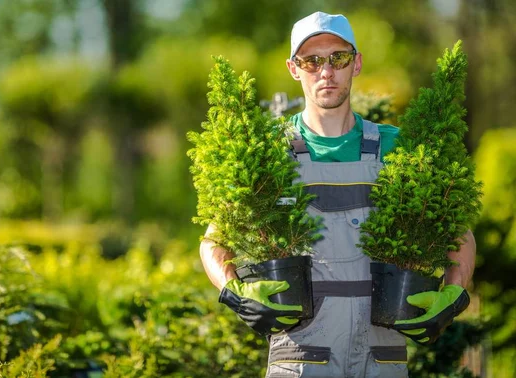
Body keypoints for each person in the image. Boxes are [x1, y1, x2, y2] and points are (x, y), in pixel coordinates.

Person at [199, 11, 476, 378]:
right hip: (300, 356)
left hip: (382, 356)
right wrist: (232, 291)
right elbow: (214, 238)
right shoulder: (268, 152)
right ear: (294, 69)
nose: (325, 72)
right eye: (311, 61)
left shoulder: (398, 148)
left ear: (356, 64)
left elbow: (460, 234)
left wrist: (453, 295)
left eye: (338, 58)